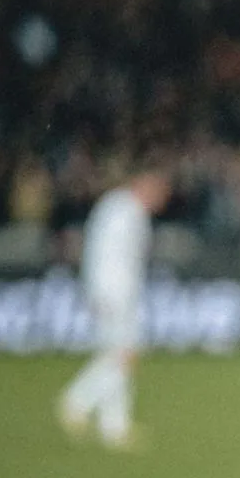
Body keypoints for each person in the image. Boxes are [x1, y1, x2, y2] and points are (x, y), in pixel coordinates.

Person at [57, 166, 171, 448]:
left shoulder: (113, 207)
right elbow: (112, 260)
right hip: (116, 294)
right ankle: (78, 401)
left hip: (110, 292)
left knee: (117, 355)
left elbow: (96, 252)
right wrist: (104, 295)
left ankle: (113, 426)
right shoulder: (127, 213)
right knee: (123, 356)